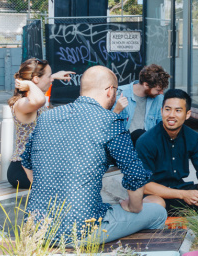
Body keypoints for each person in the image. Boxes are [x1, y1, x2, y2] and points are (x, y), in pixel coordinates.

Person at [22, 66, 167, 243]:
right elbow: (135, 174)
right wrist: (133, 207)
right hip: (81, 230)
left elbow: (26, 162)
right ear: (109, 91)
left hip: (36, 229)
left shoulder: (46, 117)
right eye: (115, 90)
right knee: (158, 212)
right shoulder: (109, 121)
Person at [136, 89, 198, 225]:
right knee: (156, 206)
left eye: (178, 110)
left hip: (182, 192)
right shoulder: (146, 141)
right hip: (154, 195)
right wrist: (183, 195)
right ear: (161, 110)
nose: (171, 115)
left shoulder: (194, 138)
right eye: (168, 109)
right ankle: (155, 243)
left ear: (187, 114)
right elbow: (143, 185)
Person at [7, 58, 75, 189]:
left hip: (36, 167)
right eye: (49, 76)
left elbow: (39, 93)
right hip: (22, 171)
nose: (51, 80)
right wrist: (30, 84)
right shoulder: (22, 104)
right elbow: (39, 100)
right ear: (36, 79)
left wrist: (53, 76)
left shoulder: (31, 100)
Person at [114, 64, 171, 145]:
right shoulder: (119, 94)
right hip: (123, 146)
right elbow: (107, 126)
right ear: (146, 85)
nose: (161, 93)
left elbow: (162, 126)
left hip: (148, 145)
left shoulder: (159, 99)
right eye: (158, 90)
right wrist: (117, 110)